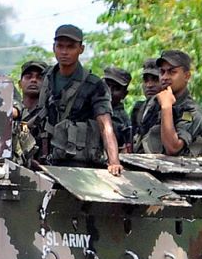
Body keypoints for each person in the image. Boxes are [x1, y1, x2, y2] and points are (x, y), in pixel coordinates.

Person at [40, 24, 122, 175]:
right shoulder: (46, 79)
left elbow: (105, 125)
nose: (64, 52)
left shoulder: (93, 84)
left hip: (81, 163)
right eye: (60, 46)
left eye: (70, 47)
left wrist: (114, 161)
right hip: (49, 162)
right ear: (54, 47)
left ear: (81, 49)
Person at [132, 50, 202, 157]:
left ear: (186, 76)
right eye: (162, 72)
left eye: (172, 72)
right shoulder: (153, 102)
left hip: (173, 170)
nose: (165, 77)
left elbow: (173, 148)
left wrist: (166, 107)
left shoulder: (191, 111)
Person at [102, 66, 135, 151]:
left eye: (116, 88)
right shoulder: (91, 107)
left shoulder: (122, 120)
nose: (109, 91)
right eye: (107, 85)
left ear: (124, 94)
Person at [131, 59, 164, 136]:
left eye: (155, 80)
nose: (149, 85)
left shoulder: (173, 107)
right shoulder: (138, 108)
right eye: (146, 80)